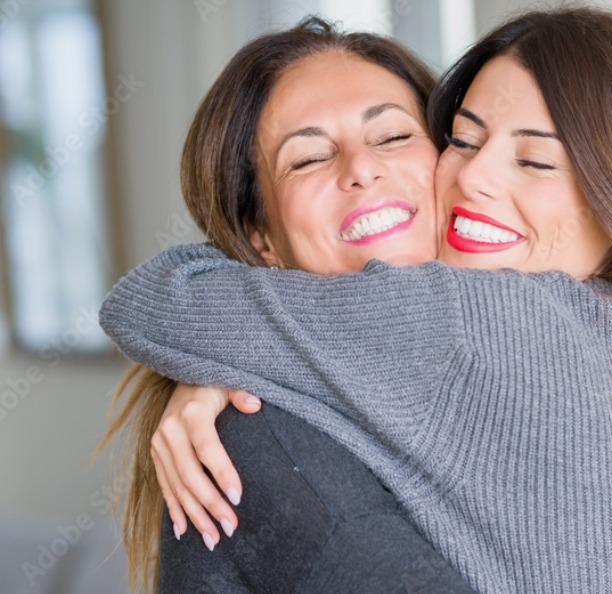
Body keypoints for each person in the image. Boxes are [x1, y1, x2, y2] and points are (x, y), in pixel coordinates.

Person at [104, 7, 612, 593]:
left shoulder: (469, 320)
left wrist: (219, 354)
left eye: (393, 135)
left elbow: (154, 303)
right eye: (463, 140)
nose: (473, 177)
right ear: (260, 237)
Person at [99, 17, 476, 593]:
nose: (362, 168)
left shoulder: (518, 333)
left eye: (392, 136)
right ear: (262, 240)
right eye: (308, 158)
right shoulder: (258, 433)